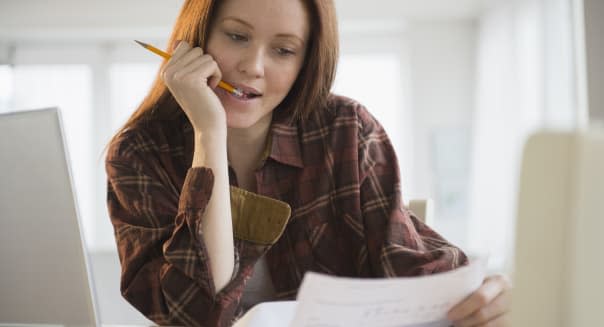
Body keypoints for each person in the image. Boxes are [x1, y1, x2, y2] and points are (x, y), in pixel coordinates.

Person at [105, 0, 511, 326]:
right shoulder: (138, 152)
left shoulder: (346, 130)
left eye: (283, 50)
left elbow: (408, 262)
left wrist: (483, 297)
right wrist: (209, 134)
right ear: (195, 38)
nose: (254, 67)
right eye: (235, 36)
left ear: (306, 63)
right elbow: (191, 316)